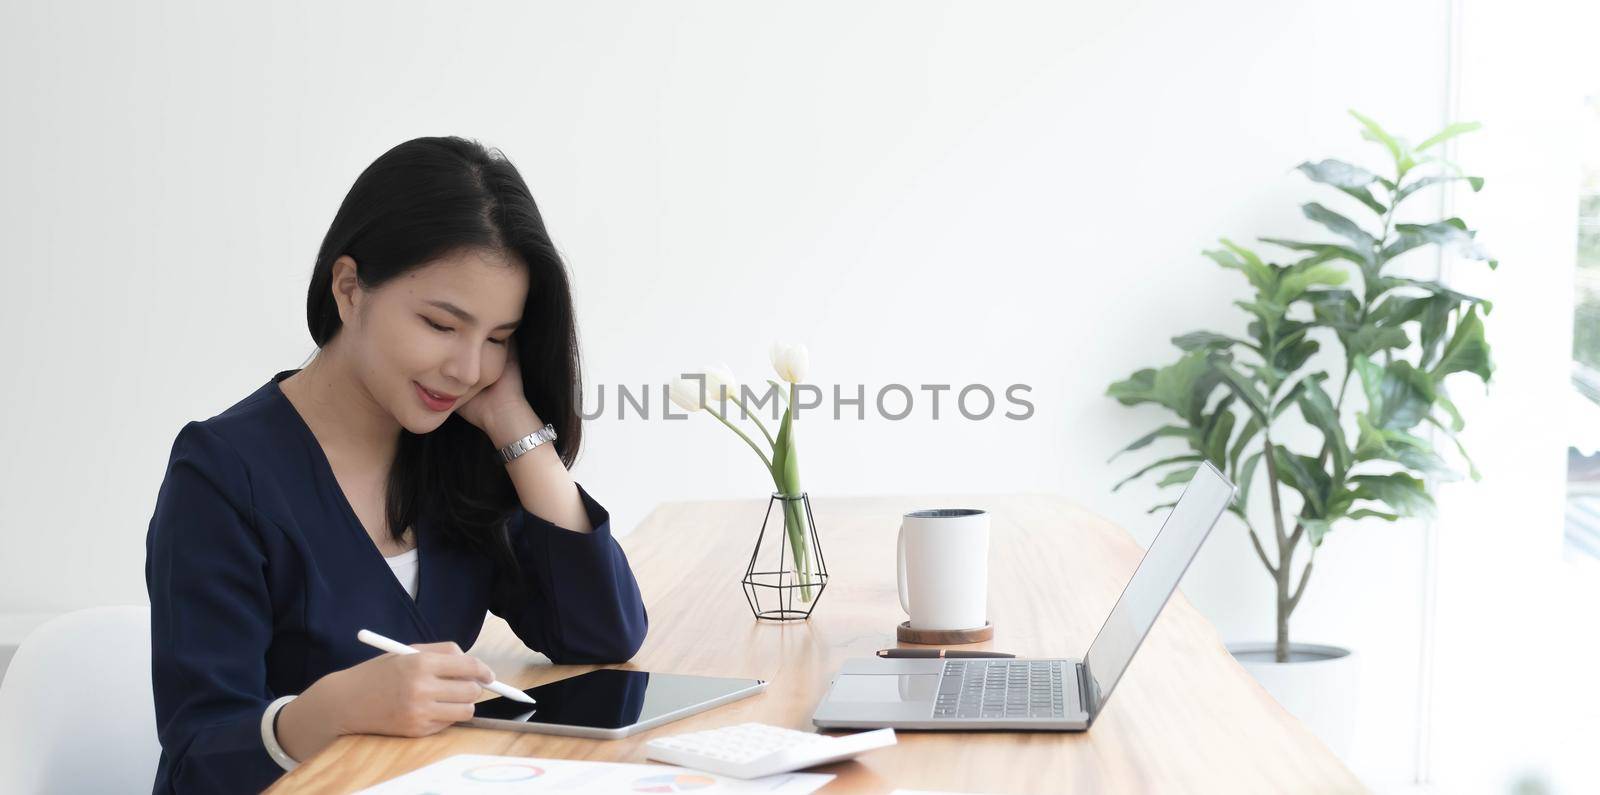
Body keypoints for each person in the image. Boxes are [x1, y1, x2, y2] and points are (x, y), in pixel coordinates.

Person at [143, 136, 648, 794]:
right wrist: (327, 711)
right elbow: (197, 758)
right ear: (350, 288)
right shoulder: (222, 477)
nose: (468, 369)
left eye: (497, 339)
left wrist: (514, 423)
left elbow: (601, 633)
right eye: (441, 324)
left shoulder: (454, 450)